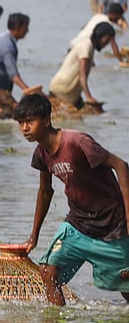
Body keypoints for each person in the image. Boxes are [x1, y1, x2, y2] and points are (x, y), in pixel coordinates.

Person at [13, 92, 129, 306]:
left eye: (29, 121)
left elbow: (121, 166)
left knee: (124, 286)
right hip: (77, 225)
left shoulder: (76, 141)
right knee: (48, 270)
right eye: (21, 123)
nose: (24, 128)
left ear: (47, 120)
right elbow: (45, 192)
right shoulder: (41, 153)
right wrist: (33, 236)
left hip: (111, 226)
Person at [49, 23, 116, 111]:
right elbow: (82, 74)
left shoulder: (90, 47)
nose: (106, 44)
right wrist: (88, 97)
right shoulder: (86, 46)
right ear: (100, 36)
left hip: (70, 92)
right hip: (63, 89)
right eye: (106, 40)